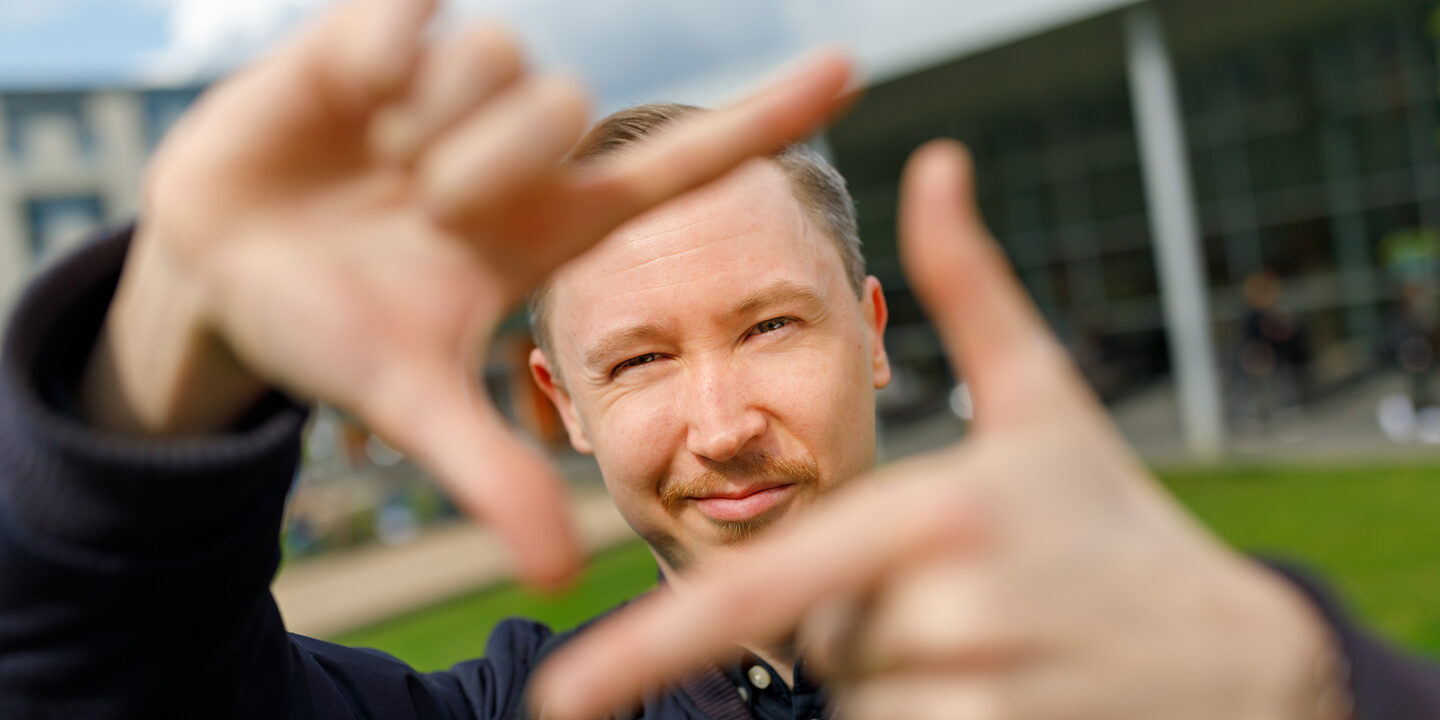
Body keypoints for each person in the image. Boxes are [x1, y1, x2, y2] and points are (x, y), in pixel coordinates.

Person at [0, 2, 1435, 720]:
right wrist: (168, 361)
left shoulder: (1125, 667)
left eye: (769, 326)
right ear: (561, 406)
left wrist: (1312, 685)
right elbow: (127, 682)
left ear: (873, 334)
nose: (723, 423)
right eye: (636, 361)